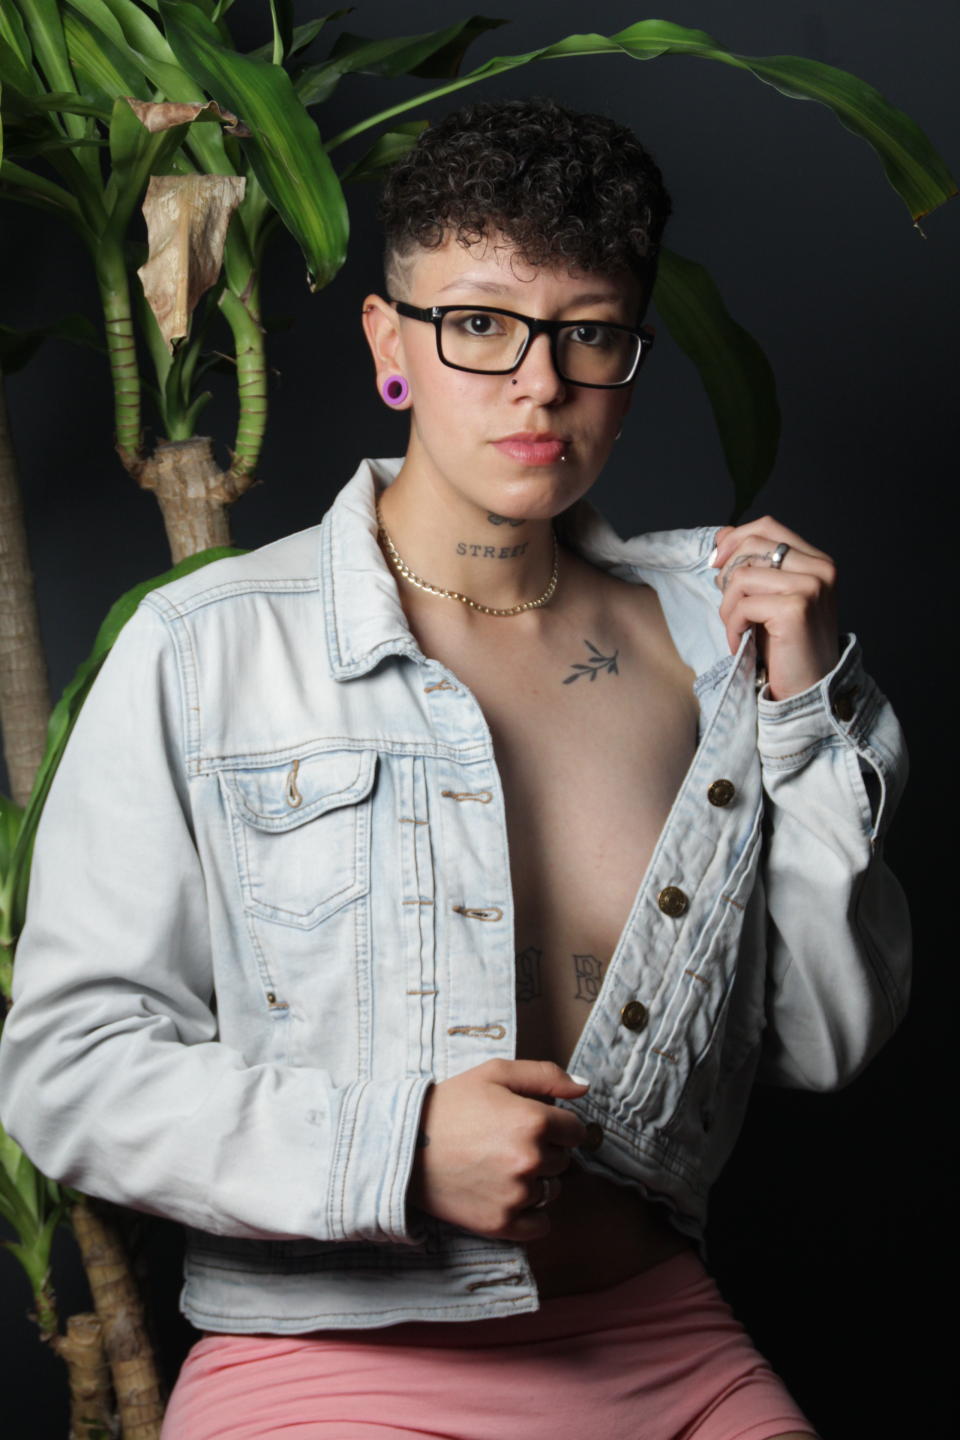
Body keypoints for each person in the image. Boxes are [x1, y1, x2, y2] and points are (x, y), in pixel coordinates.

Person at [0, 98, 910, 1439]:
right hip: (328, 1364)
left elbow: (824, 1041)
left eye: (588, 333)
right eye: (480, 325)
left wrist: (808, 716)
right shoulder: (208, 648)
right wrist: (400, 1151)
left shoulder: (716, 640)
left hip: (666, 1343)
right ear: (391, 343)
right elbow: (68, 1071)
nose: (539, 385)